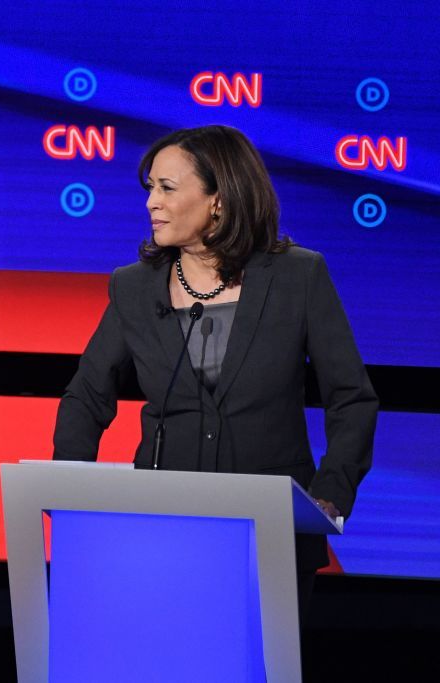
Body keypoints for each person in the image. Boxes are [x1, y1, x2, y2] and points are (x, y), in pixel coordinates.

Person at [53, 125, 377, 618]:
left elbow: (352, 398)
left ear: (218, 201)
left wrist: (329, 496)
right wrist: (70, 489)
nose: (151, 204)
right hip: (161, 532)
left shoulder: (297, 277)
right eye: (150, 189)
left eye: (167, 188)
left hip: (270, 535)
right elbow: (87, 396)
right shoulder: (134, 288)